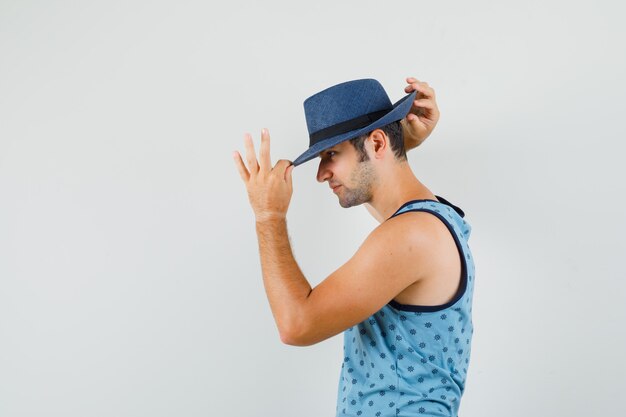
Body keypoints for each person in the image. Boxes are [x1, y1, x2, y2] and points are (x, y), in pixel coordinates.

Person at [233, 77, 475, 417]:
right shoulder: (425, 222)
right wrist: (397, 147)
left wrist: (268, 215)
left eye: (332, 154)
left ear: (377, 143)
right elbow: (385, 190)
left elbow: (296, 324)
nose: (321, 174)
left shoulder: (412, 235)